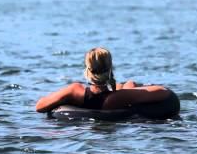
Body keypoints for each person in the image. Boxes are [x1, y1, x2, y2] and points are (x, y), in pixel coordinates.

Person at [35, 47, 179, 117]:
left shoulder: (75, 91)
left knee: (127, 85)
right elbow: (164, 93)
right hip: (116, 99)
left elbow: (40, 106)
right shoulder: (119, 97)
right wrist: (131, 88)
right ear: (110, 68)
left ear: (87, 69)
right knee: (129, 83)